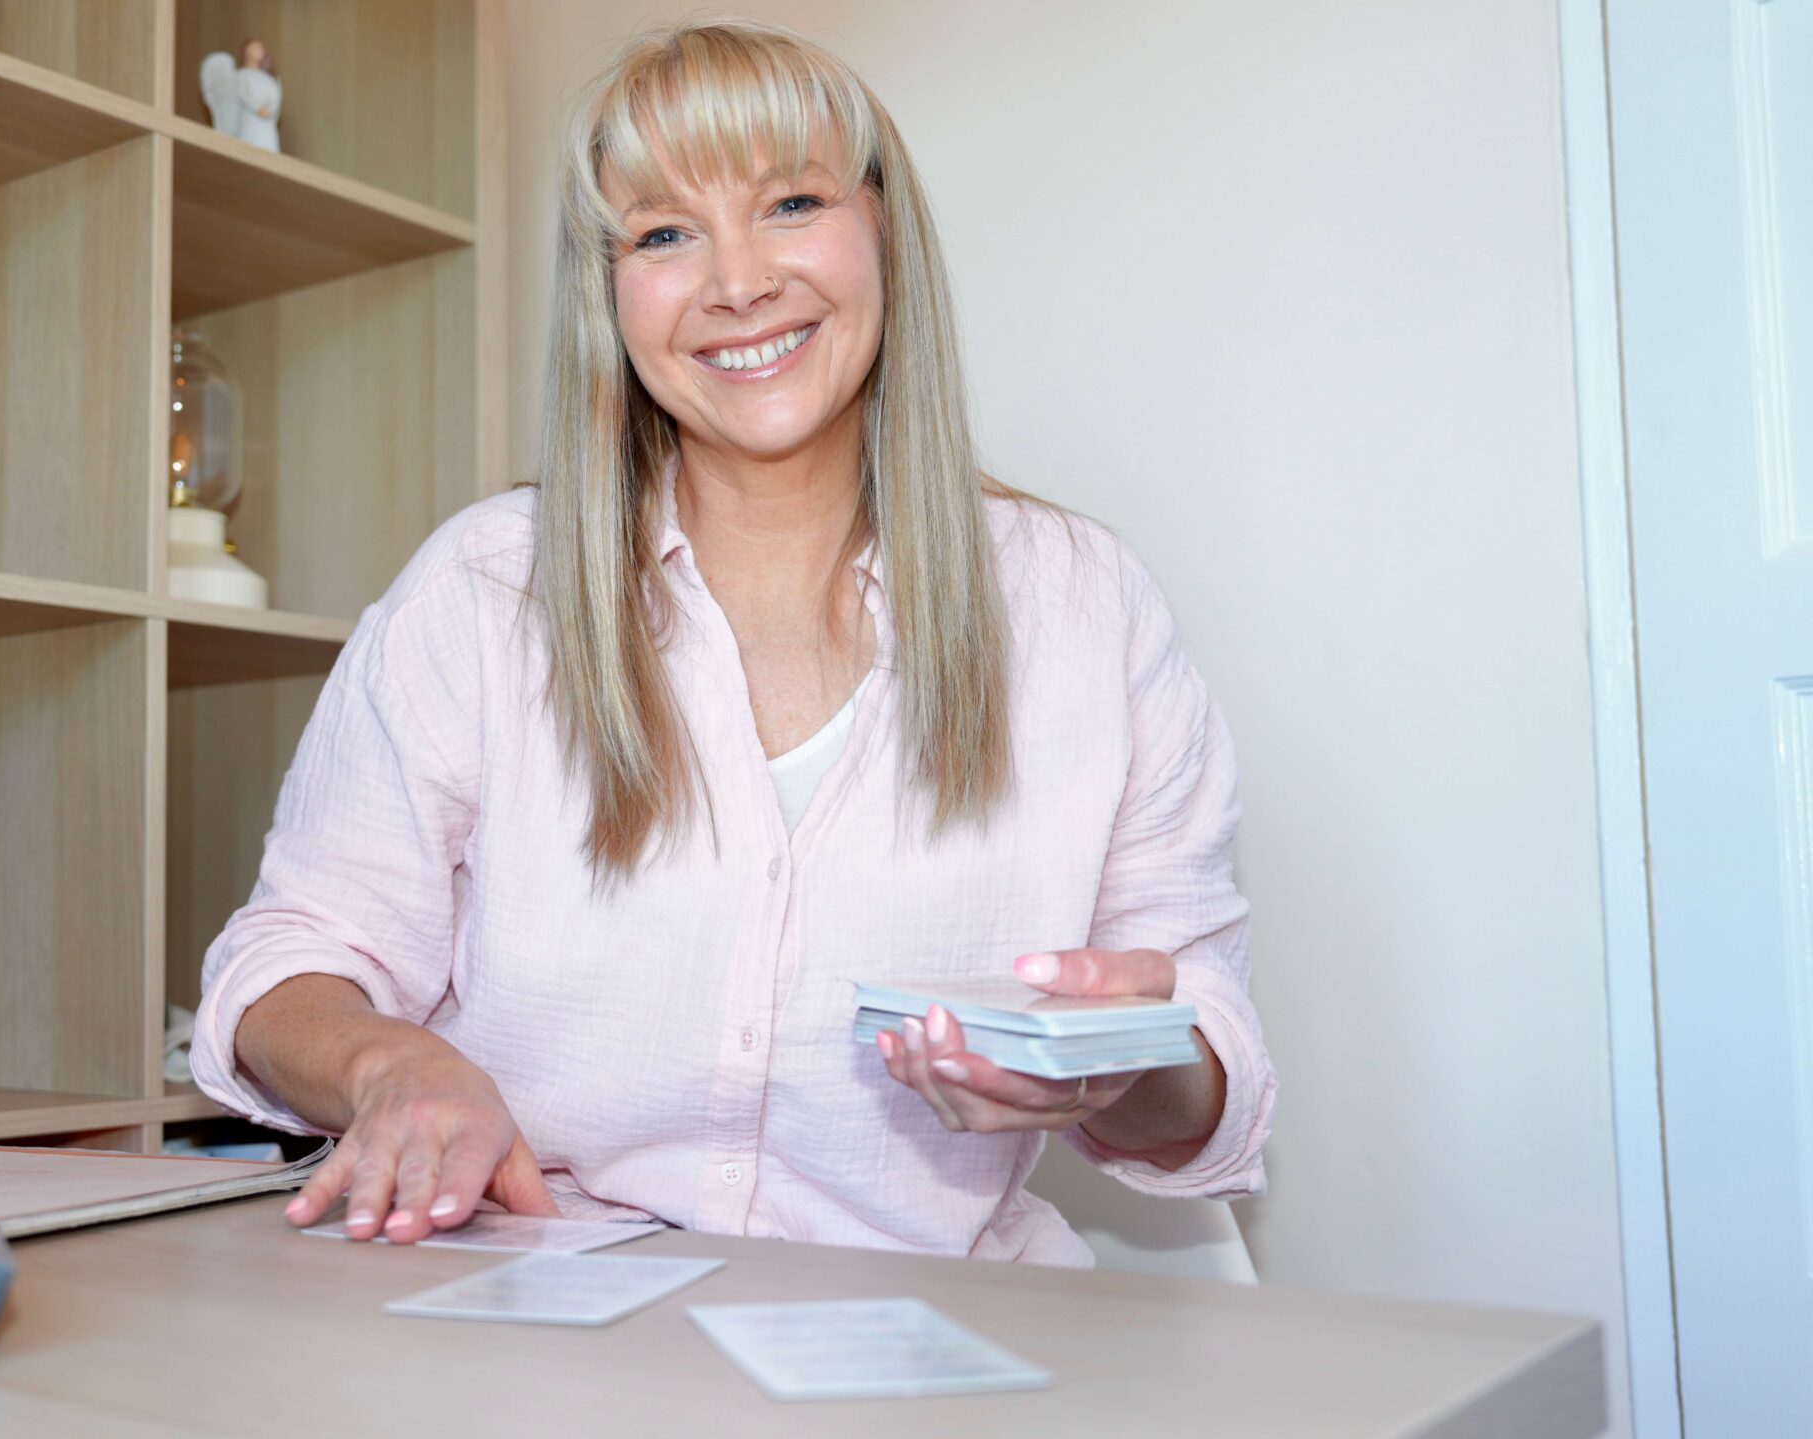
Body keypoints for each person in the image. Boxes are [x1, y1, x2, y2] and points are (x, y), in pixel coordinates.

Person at [190, 19, 1273, 1262]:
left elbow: (1208, 1071)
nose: (737, 280)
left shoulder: (1088, 608)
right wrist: (395, 1063)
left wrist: (1116, 1060)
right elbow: (284, 963)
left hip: (927, 1326)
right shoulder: (486, 590)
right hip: (539, 1325)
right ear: (609, 295)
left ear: (883, 234)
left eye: (792, 201)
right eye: (662, 232)